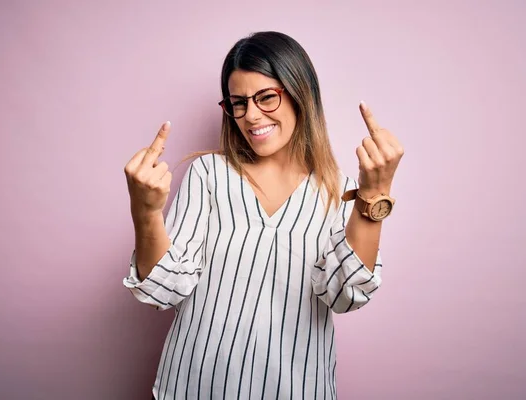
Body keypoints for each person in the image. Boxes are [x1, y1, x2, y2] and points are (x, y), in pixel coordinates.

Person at [123, 31, 403, 400]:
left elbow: (345, 296)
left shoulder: (340, 190)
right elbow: (165, 289)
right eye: (238, 102)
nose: (251, 115)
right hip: (192, 388)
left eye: (266, 97)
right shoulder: (209, 174)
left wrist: (373, 195)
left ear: (301, 92)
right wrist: (145, 213)